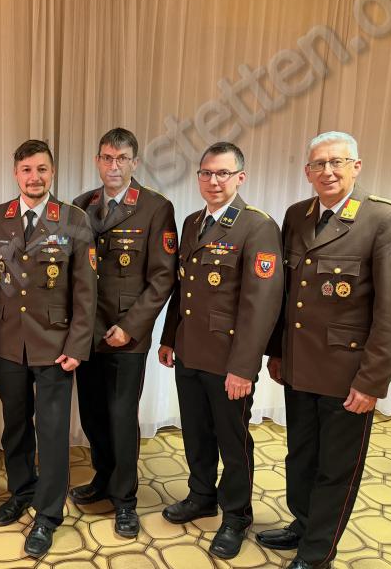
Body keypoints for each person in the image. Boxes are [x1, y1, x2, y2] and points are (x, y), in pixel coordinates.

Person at [256, 131, 391, 569]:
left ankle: (317, 554)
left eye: (337, 162)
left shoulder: (385, 220)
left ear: (356, 167)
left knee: (336, 467)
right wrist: (277, 351)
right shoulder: (297, 215)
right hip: (299, 366)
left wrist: (372, 381)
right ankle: (304, 524)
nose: (327, 171)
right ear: (307, 171)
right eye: (319, 164)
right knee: (300, 456)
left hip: (347, 375)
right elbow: (286, 294)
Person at [158, 141, 283, 560]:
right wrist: (170, 337)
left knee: (233, 441)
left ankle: (236, 515)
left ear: (240, 178)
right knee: (196, 432)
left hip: (229, 359)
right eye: (207, 173)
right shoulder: (192, 222)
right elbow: (183, 288)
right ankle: (201, 496)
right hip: (190, 350)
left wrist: (244, 368)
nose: (214, 181)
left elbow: (261, 306)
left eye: (223, 173)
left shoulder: (257, 226)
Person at [0, 139, 97, 557]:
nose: (35, 177)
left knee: (52, 432)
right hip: (8, 344)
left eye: (42, 169)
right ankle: (22, 491)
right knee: (14, 426)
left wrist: (78, 345)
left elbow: (86, 289)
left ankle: (48, 514)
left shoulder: (74, 219)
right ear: (16, 173)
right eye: (27, 169)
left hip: (55, 346)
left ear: (53, 172)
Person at [71, 128, 177, 537]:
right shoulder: (82, 205)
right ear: (97, 161)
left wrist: (130, 328)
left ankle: (125, 499)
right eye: (106, 157)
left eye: (121, 158)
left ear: (134, 162)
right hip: (87, 333)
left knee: (120, 416)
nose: (113, 166)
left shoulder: (155, 207)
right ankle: (103, 478)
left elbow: (163, 277)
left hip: (125, 336)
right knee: (92, 414)